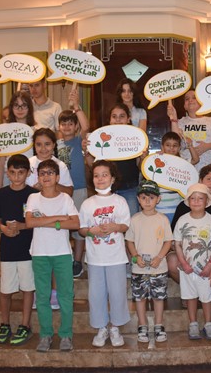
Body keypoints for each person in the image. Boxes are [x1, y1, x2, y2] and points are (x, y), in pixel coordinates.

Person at [25, 159, 80, 352]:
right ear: (38, 177)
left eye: (50, 173)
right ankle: (46, 334)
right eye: (42, 173)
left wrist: (48, 222)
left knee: (65, 296)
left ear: (57, 177)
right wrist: (59, 218)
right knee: (42, 296)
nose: (46, 176)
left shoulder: (65, 199)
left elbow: (75, 224)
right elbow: (30, 223)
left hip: (62, 253)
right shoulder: (33, 198)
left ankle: (66, 335)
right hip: (40, 253)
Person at [79, 160, 131, 348]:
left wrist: (115, 227)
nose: (100, 179)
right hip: (95, 258)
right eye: (96, 175)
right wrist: (90, 231)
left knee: (117, 292)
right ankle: (101, 327)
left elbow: (125, 225)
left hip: (116, 257)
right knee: (96, 294)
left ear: (113, 178)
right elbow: (82, 229)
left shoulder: (120, 201)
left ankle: (115, 327)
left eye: (104, 175)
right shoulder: (87, 203)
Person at [168, 165, 211, 306]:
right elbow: (174, 241)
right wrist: (183, 259)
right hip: (188, 255)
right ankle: (190, 293)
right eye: (209, 179)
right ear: (200, 181)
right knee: (172, 261)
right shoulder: (184, 206)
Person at [0, 155, 39, 346]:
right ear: (7, 173)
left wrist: (22, 226)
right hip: (8, 250)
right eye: (13, 172)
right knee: (6, 290)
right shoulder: (2, 193)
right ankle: (4, 324)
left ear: (28, 173)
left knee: (28, 288)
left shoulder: (34, 194)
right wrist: (2, 228)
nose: (17, 176)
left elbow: (37, 220)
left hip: (27, 249)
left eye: (21, 172)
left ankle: (25, 325)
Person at [126, 180, 173, 343]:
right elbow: (129, 241)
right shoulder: (134, 219)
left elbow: (168, 241)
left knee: (158, 298)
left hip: (159, 268)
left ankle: (159, 325)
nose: (147, 201)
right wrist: (135, 256)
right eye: (144, 197)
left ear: (158, 199)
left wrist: (159, 257)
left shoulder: (163, 219)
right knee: (140, 298)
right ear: (138, 199)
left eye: (151, 197)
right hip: (139, 268)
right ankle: (142, 324)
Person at [173, 183, 211, 340]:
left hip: (206, 269)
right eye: (193, 198)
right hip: (187, 268)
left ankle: (209, 323)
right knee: (190, 296)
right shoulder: (182, 220)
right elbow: (177, 244)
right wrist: (183, 263)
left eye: (200, 198)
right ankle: (193, 323)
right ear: (188, 201)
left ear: (207, 201)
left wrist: (210, 265)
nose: (196, 201)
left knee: (206, 297)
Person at [56, 89, 89, 278]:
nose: (67, 126)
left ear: (75, 126)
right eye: (64, 123)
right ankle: (64, 259)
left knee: (78, 227)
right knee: (62, 226)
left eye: (71, 123)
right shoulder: (55, 144)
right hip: (60, 191)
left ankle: (77, 261)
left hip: (79, 189)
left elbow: (86, 126)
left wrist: (76, 107)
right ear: (59, 126)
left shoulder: (78, 141)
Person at [168, 89, 211, 171]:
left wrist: (207, 146)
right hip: (186, 169)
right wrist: (173, 118)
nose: (190, 100)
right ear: (184, 106)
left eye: (194, 98)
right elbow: (175, 141)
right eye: (187, 99)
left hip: (208, 169)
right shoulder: (180, 122)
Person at [0, 91, 36, 190]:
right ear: (11, 108)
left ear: (29, 108)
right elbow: (1, 163)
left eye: (24, 105)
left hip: (30, 176)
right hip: (9, 177)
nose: (20, 109)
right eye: (16, 105)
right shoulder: (5, 131)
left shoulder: (35, 131)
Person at [156, 131, 199, 223]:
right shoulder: (158, 161)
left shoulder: (182, 162)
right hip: (160, 206)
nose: (171, 148)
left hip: (177, 206)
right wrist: (156, 157)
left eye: (175, 145)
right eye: (168, 145)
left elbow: (195, 160)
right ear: (162, 146)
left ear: (179, 148)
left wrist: (190, 145)